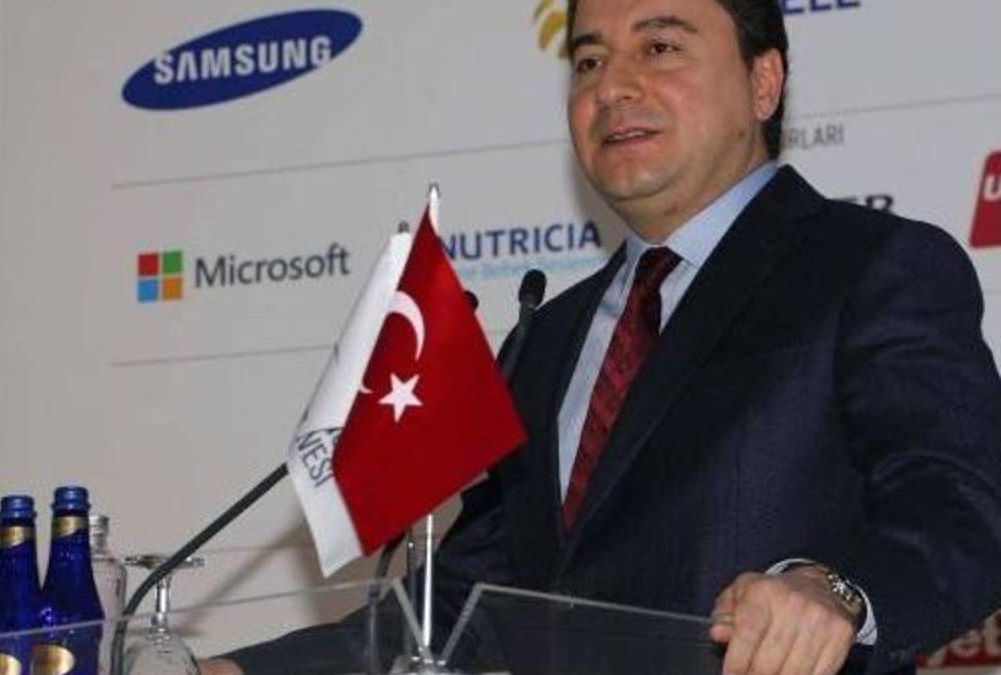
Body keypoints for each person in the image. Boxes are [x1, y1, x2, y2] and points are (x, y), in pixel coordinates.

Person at [206, 0, 1001, 673]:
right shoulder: (547, 336)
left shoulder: (870, 266)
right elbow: (468, 600)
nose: (611, 87)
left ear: (764, 82)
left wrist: (836, 590)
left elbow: (962, 505)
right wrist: (235, 671)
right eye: (588, 61)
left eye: (659, 48)